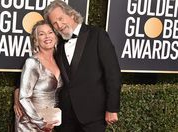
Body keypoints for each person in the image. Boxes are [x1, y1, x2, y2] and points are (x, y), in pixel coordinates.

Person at [43, 0, 122, 131]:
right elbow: (43, 68)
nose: (59, 25)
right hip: (66, 118)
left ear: (72, 14)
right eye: (54, 23)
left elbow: (113, 73)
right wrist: (19, 90)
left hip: (93, 115)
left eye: (61, 18)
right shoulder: (59, 45)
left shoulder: (97, 35)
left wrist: (112, 108)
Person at [15, 20, 63, 132]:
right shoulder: (32, 63)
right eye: (41, 34)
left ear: (56, 37)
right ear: (36, 41)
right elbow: (24, 97)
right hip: (30, 124)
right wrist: (40, 122)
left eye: (50, 32)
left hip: (51, 124)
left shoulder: (60, 62)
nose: (47, 36)